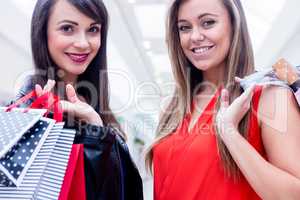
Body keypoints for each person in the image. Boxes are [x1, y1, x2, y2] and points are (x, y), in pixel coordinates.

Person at [145, 0, 300, 199]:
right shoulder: (171, 107)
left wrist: (231, 135)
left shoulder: (269, 97)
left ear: (234, 26)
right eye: (184, 27)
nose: (194, 36)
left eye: (208, 22)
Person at [15, 0, 143, 199]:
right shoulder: (29, 108)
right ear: (42, 33)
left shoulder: (96, 102)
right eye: (67, 28)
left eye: (93, 29)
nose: (83, 43)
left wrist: (96, 127)